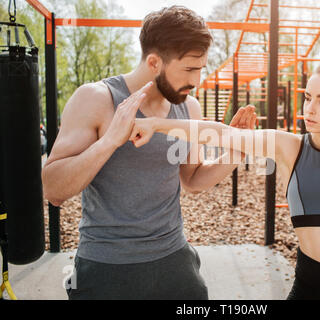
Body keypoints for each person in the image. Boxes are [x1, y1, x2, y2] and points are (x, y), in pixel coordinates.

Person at [130, 58, 320, 300]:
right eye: (308, 97)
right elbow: (219, 133)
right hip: (311, 280)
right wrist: (155, 124)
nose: (310, 109)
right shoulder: (289, 147)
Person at [41, 6, 256, 300]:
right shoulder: (96, 99)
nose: (197, 80)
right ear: (154, 62)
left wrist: (236, 150)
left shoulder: (187, 107)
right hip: (106, 263)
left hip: (173, 256)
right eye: (190, 69)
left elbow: (192, 179)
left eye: (201, 68)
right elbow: (53, 189)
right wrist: (109, 142)